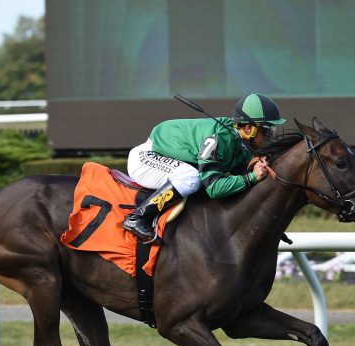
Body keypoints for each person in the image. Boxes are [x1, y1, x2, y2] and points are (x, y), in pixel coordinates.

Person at [122, 93, 286, 242]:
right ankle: (138, 218)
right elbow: (214, 187)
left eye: (272, 129)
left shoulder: (241, 142)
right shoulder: (218, 140)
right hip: (146, 158)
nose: (271, 137)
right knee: (191, 177)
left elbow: (240, 181)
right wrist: (251, 177)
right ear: (248, 128)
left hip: (166, 157)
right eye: (267, 130)